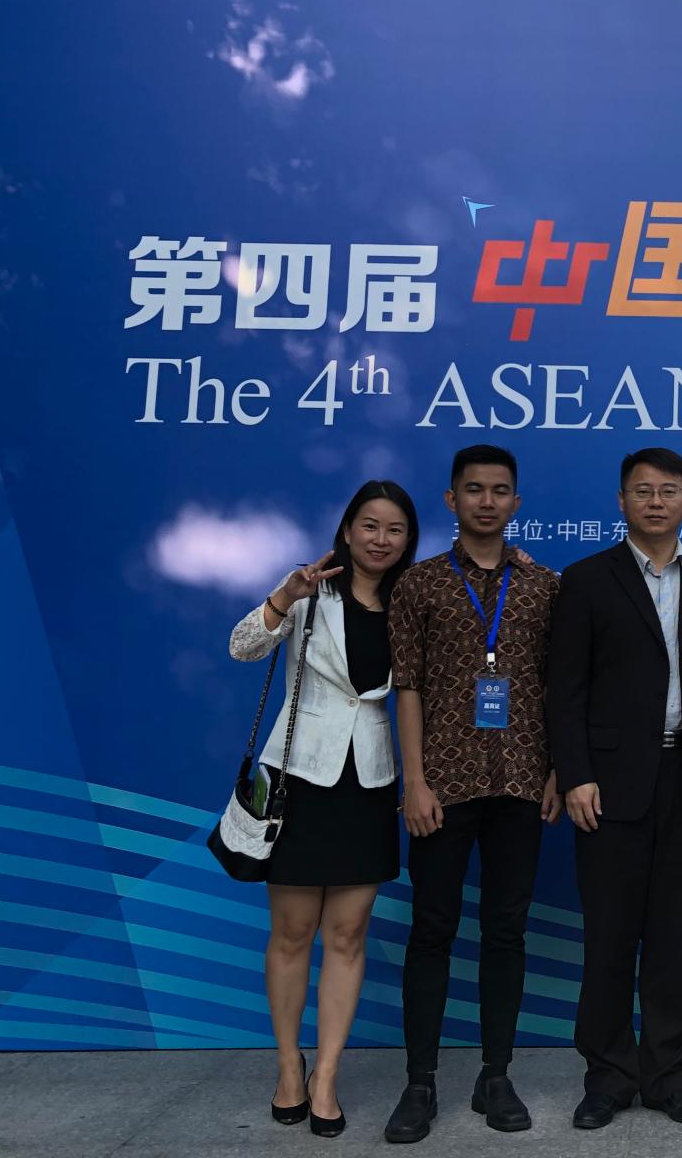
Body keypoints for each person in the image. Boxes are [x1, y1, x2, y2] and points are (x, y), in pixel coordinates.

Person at [381, 446, 563, 1144]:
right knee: (432, 930)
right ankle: (419, 1082)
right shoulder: (419, 584)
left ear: (516, 502)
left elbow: (558, 685)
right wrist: (415, 780)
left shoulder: (544, 586)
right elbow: (407, 686)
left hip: (521, 781)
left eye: (500, 490)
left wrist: (555, 770)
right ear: (451, 499)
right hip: (443, 787)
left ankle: (496, 1076)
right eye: (474, 490)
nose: (487, 501)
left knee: (506, 931)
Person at [547, 447, 682, 1129]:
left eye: (669, 490)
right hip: (609, 782)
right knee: (609, 935)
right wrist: (575, 774)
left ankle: (667, 1075)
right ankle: (607, 1075)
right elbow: (564, 689)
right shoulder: (586, 579)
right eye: (643, 491)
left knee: (676, 936)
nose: (657, 502)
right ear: (621, 501)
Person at [229, 480, 418, 1140]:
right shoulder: (312, 591)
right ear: (347, 529)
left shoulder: (412, 600)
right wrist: (284, 597)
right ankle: (289, 1064)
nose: (380, 539)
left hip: (370, 782)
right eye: (369, 525)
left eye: (394, 529)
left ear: (408, 539)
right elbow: (242, 646)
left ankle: (327, 1075)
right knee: (292, 933)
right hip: (299, 778)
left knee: (347, 936)